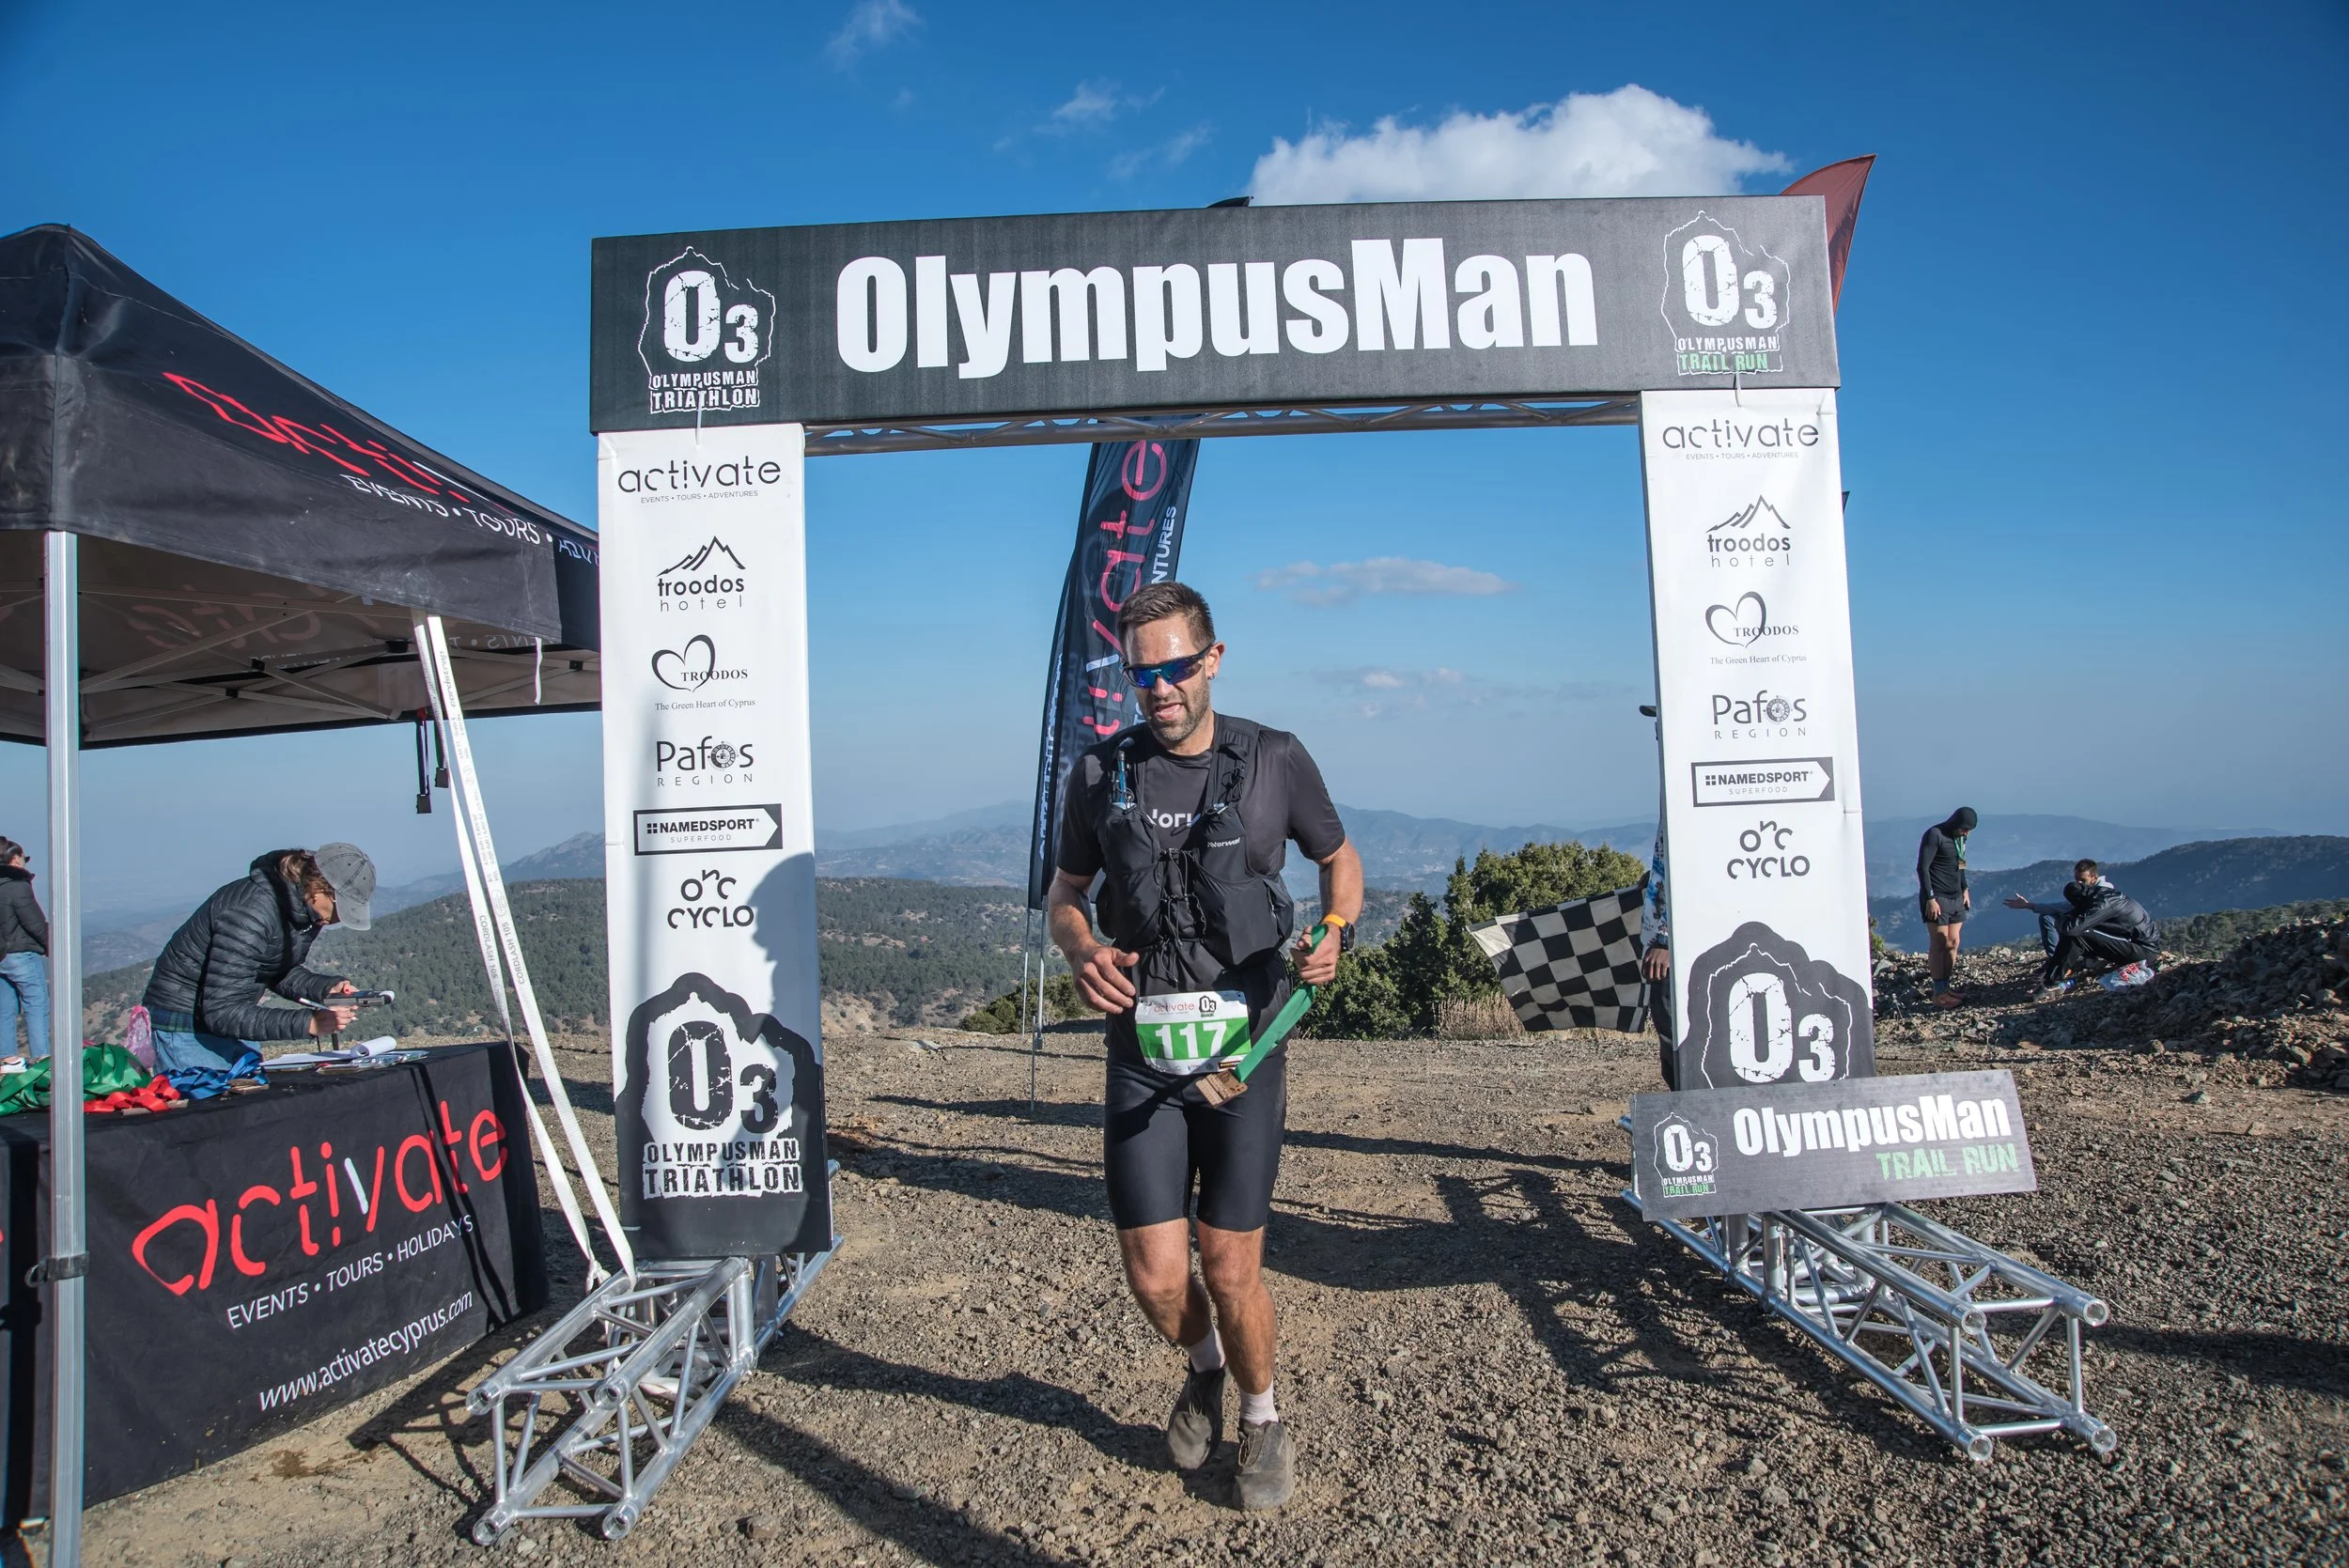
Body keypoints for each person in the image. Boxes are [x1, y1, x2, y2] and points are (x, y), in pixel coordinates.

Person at [1047, 582, 1361, 1512]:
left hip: (1244, 1053)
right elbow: (1067, 894)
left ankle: (1262, 1417)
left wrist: (1337, 925)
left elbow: (1337, 859)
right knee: (1154, 1274)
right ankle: (1205, 1368)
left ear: (1212, 658)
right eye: (1143, 673)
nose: (1161, 688)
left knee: (1229, 1264)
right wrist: (1082, 947)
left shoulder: (1273, 758)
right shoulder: (1098, 775)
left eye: (1178, 667)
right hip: (1142, 1050)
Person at [141, 845, 376, 1097]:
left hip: (231, 1022)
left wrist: (326, 988)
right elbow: (221, 1011)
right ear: (319, 889)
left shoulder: (303, 910)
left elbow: (275, 970)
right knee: (205, 1124)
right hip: (188, 1028)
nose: (339, 919)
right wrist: (309, 1023)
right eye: (342, 908)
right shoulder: (251, 912)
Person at [2027, 873, 2158, 993]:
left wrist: (2064, 919)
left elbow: (2071, 929)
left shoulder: (2101, 904)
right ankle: (2086, 962)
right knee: (2084, 930)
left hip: (2143, 951)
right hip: (2139, 944)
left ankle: (2051, 984)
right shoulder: (2101, 895)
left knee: (2077, 936)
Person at [1916, 807, 1976, 1006]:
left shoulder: (1960, 839)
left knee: (1953, 942)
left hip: (1956, 896)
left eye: (1969, 830)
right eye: (1964, 829)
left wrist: (1965, 888)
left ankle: (1947, 987)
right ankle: (1938, 993)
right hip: (1937, 897)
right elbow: (1922, 867)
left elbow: (1961, 864)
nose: (1966, 833)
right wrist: (1930, 898)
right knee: (1939, 942)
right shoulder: (1935, 835)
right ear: (1955, 823)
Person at [0, 837, 50, 1068]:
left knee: (5, 1009)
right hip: (21, 953)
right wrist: (52, 946)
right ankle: (41, 1059)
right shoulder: (17, 885)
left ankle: (8, 1060)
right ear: (15, 858)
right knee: (36, 1004)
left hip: (1, 956)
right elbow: (35, 924)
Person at [2003, 860, 2115, 960]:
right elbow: (2062, 907)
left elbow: (2067, 908)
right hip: (2084, 925)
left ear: (2094, 878)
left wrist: (2029, 905)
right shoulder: (2086, 891)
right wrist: (2029, 905)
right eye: (2076, 879)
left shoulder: (2103, 893)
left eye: (2083, 880)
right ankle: (2056, 959)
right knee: (2047, 918)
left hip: (2101, 932)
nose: (2079, 883)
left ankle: (2063, 961)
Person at [1640, 825, 1675, 1089]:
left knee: (1673, 1034)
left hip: (1674, 950)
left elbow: (1691, 872)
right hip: (1662, 937)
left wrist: (1665, 939)